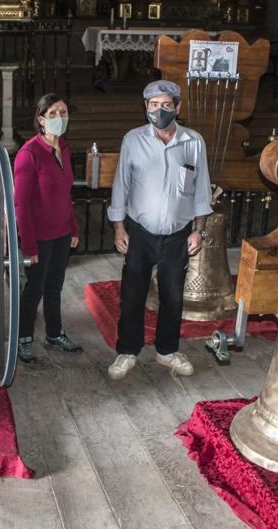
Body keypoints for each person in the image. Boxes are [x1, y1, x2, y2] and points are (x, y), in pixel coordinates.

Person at [106, 80, 213, 379]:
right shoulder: (133, 140)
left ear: (178, 107)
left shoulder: (193, 142)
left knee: (173, 296)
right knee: (132, 294)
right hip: (140, 232)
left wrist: (199, 230)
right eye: (153, 105)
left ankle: (167, 351)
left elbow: (201, 189)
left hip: (178, 235)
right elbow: (121, 186)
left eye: (166, 105)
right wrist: (118, 227)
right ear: (145, 108)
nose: (159, 110)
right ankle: (127, 351)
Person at [13, 94, 83, 362]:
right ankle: (24, 338)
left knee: (55, 287)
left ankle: (55, 333)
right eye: (53, 114)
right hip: (39, 237)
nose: (59, 118)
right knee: (34, 289)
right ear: (40, 119)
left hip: (62, 233)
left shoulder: (64, 147)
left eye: (63, 113)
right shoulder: (29, 154)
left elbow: (66, 194)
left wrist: (73, 228)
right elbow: (22, 205)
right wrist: (29, 245)